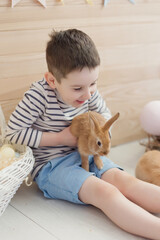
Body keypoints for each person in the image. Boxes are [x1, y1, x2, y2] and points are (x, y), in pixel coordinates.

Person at [6, 29, 160, 239]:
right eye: (78, 88)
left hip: (89, 155)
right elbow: (13, 133)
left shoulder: (87, 90)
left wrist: (103, 133)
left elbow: (104, 114)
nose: (88, 94)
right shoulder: (38, 96)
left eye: (93, 83)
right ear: (52, 80)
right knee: (106, 192)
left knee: (125, 181)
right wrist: (60, 138)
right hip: (52, 166)